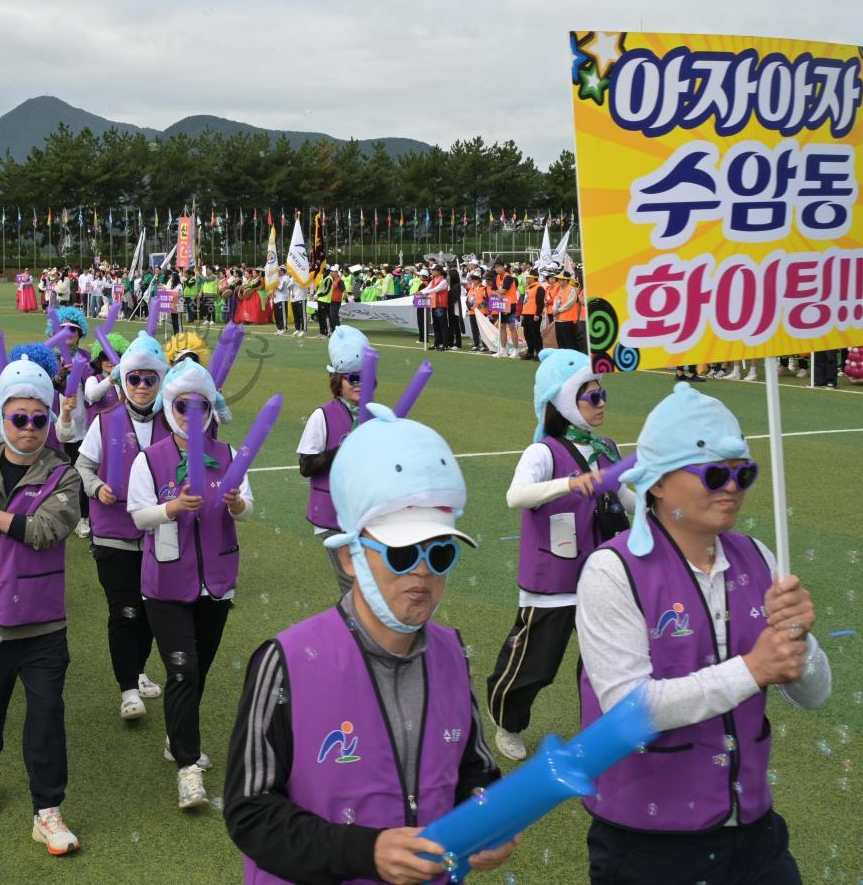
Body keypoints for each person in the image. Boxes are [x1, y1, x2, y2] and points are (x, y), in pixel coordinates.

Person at [226, 405, 515, 884]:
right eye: (402, 553)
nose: (423, 571)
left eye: (440, 552)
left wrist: (488, 818)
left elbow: (475, 767)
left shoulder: (450, 651)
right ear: (350, 557)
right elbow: (250, 812)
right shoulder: (287, 660)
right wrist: (366, 851)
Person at [576, 383, 829, 884]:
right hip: (647, 842)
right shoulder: (611, 570)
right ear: (658, 483)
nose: (731, 487)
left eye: (742, 472)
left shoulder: (758, 555)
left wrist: (801, 639)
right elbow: (631, 708)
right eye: (714, 473)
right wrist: (753, 668)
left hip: (754, 831)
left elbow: (815, 693)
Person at [0, 355, 83, 856]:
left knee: (46, 716)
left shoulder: (63, 477)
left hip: (42, 625)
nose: (29, 429)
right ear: (0, 418)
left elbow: (48, 531)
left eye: (38, 419)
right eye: (18, 418)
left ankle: (47, 810)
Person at [485, 349, 631, 762]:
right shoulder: (543, 452)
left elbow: (623, 496)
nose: (602, 403)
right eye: (592, 397)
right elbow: (516, 495)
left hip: (602, 576)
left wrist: (664, 506)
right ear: (564, 403)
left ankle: (604, 730)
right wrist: (569, 485)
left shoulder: (606, 447)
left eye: (602, 395)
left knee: (607, 662)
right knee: (535, 666)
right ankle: (508, 722)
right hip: (553, 578)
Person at [128, 361, 250, 810]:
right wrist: (172, 506)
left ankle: (176, 735)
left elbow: (246, 509)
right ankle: (187, 767)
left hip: (216, 582)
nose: (191, 414)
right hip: (165, 583)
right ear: (169, 407)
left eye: (200, 405)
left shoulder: (230, 453)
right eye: (183, 405)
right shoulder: (151, 458)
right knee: (183, 670)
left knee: (198, 670)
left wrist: (237, 502)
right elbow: (138, 515)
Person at [75, 332, 170, 722]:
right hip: (114, 533)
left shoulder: (172, 420)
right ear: (124, 380)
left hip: (159, 533)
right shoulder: (105, 421)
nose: (143, 386)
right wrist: (97, 489)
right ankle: (128, 690)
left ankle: (139, 669)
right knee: (124, 609)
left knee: (151, 610)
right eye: (135, 379)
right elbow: (82, 467)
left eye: (150, 379)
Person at [297, 326, 369, 596]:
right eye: (353, 378)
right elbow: (306, 465)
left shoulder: (376, 414)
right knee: (352, 585)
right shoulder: (322, 416)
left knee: (371, 585)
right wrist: (341, 450)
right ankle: (351, 635)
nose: (359, 384)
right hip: (331, 514)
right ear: (338, 380)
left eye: (365, 377)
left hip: (366, 512)